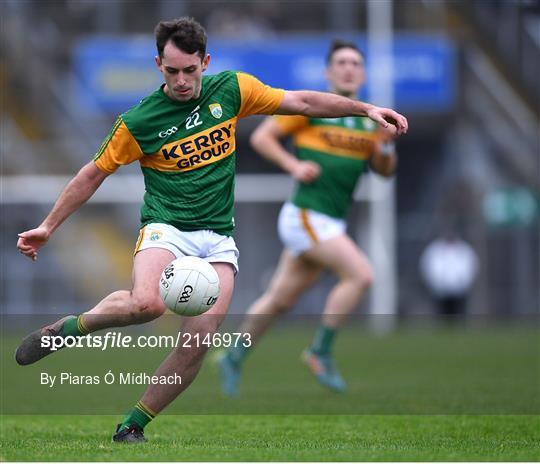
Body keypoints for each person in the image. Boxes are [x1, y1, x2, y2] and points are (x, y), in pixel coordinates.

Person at [15, 18, 407, 443]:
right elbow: (92, 175)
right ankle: (69, 331)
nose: (181, 81)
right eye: (171, 71)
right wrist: (47, 226)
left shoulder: (233, 90)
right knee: (147, 305)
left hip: (218, 238)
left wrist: (366, 108)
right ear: (158, 64)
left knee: (198, 341)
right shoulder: (140, 120)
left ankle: (132, 425)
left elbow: (305, 103)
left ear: (206, 61)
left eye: (190, 70)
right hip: (166, 227)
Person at [218, 40, 398, 395]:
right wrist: (294, 164)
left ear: (362, 73)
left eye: (354, 63)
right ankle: (320, 352)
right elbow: (262, 138)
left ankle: (233, 356)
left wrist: (387, 143)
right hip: (305, 215)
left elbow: (385, 171)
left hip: (329, 221)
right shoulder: (315, 110)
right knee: (360, 274)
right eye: (341, 62)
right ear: (329, 72)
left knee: (280, 299)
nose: (348, 68)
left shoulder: (369, 123)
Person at [419, 230, 479, 318]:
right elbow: (428, 266)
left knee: (458, 313)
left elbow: (471, 265)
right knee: (443, 314)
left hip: (459, 289)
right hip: (440, 289)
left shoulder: (463, 249)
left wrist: (463, 282)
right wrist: (436, 283)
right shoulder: (436, 249)